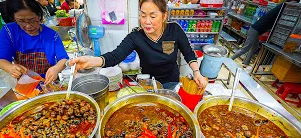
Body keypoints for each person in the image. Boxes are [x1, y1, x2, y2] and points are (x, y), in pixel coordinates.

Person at [69, 0, 207, 90]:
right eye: (143, 15)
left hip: (171, 82)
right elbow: (114, 56)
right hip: (148, 83)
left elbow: (188, 52)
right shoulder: (136, 37)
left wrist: (196, 72)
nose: (147, 21)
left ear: (164, 16)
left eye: (153, 16)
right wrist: (90, 61)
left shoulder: (174, 30)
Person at [0, 0, 69, 85]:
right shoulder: (9, 31)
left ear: (39, 16)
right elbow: (1, 60)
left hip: (47, 82)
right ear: (14, 18)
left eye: (32, 20)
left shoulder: (52, 35)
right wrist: (11, 67)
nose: (28, 26)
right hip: (24, 83)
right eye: (21, 21)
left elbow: (64, 59)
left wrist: (56, 68)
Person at [231, 0, 300, 67]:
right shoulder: (282, 6)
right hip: (255, 30)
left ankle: (246, 63)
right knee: (245, 49)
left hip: (256, 31)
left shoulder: (279, 10)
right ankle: (229, 60)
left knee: (255, 47)